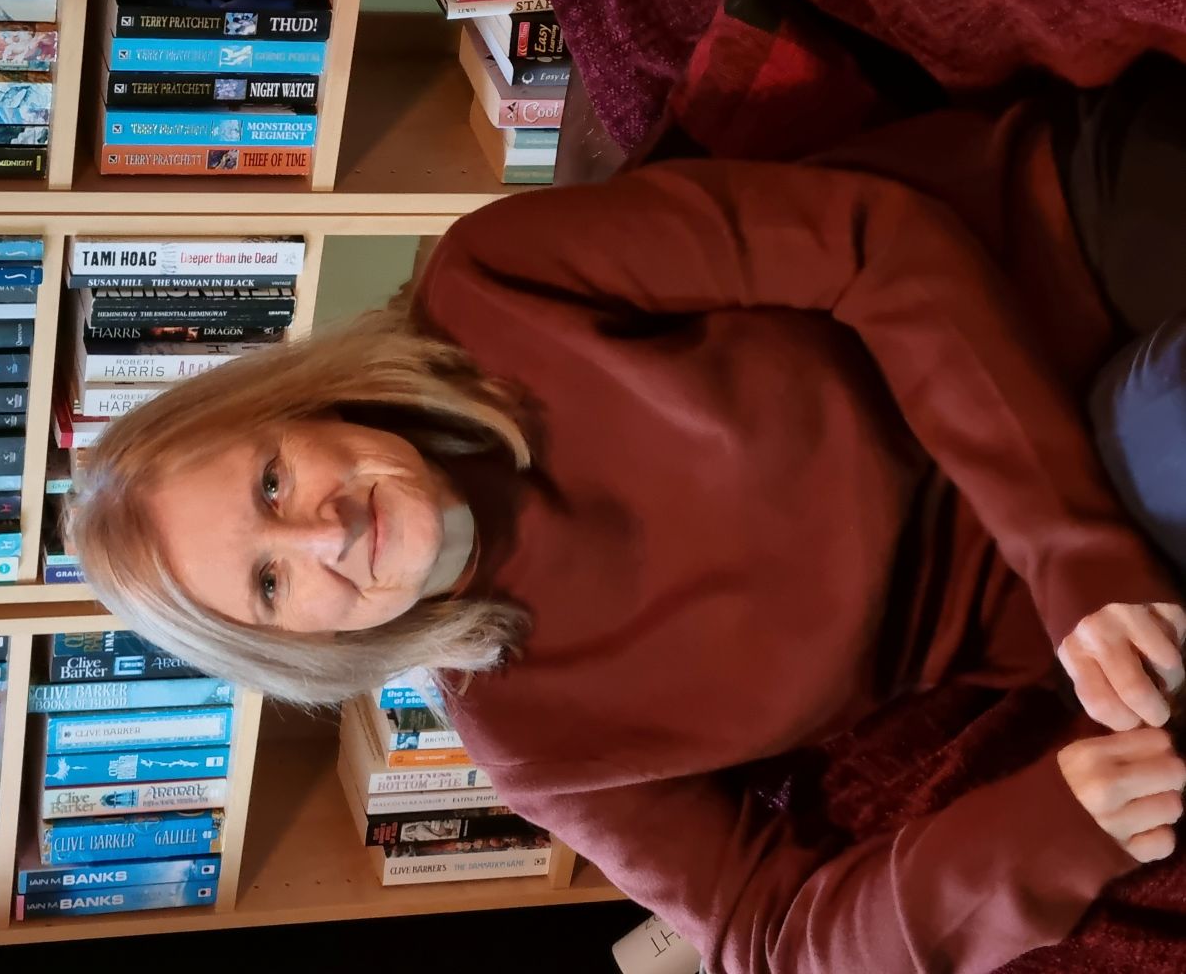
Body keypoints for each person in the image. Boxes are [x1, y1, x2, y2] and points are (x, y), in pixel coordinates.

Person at [67, 56, 1186, 974]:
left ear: (292, 406)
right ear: (296, 648)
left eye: (270, 480)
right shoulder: (538, 748)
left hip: (1059, 258)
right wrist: (1037, 837)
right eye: (269, 582)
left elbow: (871, 245)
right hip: (1109, 554)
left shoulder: (492, 285)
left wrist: (1065, 551)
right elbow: (770, 935)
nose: (320, 533)